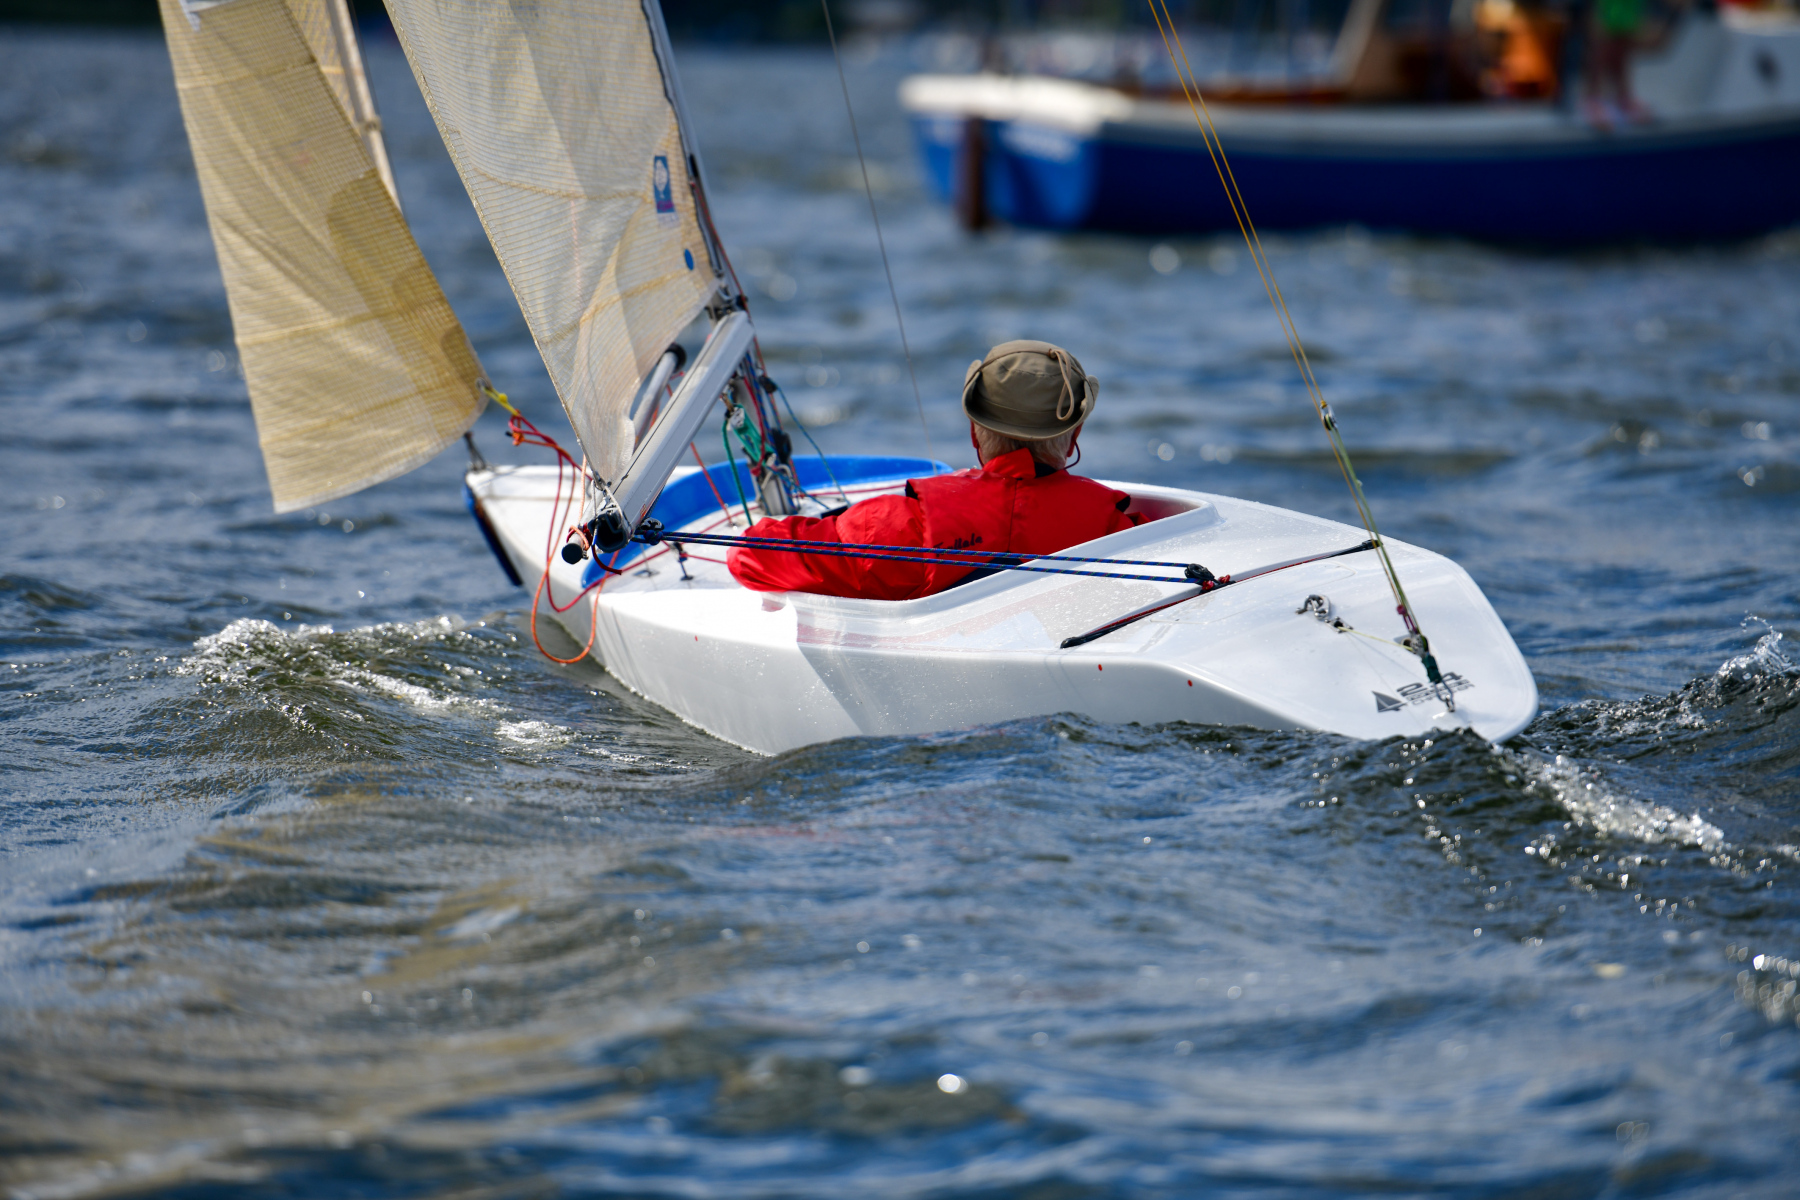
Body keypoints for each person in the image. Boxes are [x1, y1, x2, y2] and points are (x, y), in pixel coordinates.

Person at [727, 340, 1146, 601]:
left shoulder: (909, 525)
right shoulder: (1118, 526)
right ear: (1074, 436)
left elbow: (751, 556)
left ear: (975, 430)